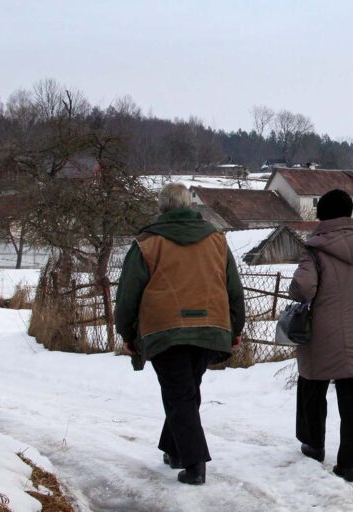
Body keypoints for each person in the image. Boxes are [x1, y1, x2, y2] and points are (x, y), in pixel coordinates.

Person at [114, 183, 245, 485]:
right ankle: (173, 450)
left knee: (180, 394)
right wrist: (235, 328)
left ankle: (194, 463)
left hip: (165, 329)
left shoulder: (147, 243)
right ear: (191, 207)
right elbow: (233, 289)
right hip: (210, 327)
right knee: (185, 392)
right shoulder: (217, 241)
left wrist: (127, 332)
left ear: (161, 208)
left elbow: (128, 295)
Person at [290, 188, 353, 482]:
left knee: (311, 386)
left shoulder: (315, 248)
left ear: (321, 215)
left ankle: (313, 445)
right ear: (349, 213)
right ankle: (350, 463)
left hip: (323, 334)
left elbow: (303, 289)